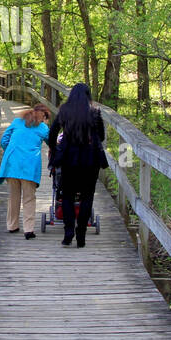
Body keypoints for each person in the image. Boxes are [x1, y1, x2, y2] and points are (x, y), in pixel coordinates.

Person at [47, 83, 108, 247]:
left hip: (69, 159)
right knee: (87, 196)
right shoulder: (94, 112)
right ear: (88, 96)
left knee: (67, 194)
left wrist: (54, 148)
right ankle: (81, 234)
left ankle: (68, 232)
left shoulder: (65, 110)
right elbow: (101, 136)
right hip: (90, 160)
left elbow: (52, 132)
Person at [0, 103, 52, 239]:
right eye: (46, 118)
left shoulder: (17, 121)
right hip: (29, 165)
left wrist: (10, 150)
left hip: (12, 163)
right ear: (43, 116)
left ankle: (12, 225)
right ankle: (28, 230)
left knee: (13, 196)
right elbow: (53, 144)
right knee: (29, 197)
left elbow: (4, 140)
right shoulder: (43, 127)